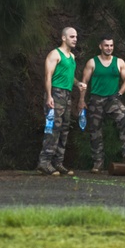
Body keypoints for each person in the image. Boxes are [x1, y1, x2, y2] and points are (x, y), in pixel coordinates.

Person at [78, 35, 125, 173]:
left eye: (111, 45)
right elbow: (84, 83)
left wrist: (119, 94)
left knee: (124, 119)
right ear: (100, 46)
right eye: (106, 45)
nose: (109, 48)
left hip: (112, 99)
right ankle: (98, 163)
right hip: (96, 99)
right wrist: (81, 101)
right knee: (95, 131)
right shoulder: (92, 62)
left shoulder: (119, 62)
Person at [37, 26, 86, 176]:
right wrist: (49, 96)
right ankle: (44, 162)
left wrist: (78, 84)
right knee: (53, 128)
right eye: (72, 36)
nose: (75, 39)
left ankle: (58, 162)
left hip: (67, 95)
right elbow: (48, 76)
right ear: (63, 38)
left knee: (64, 128)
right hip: (56, 93)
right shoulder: (55, 54)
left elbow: (70, 77)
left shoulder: (71, 57)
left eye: (76, 37)